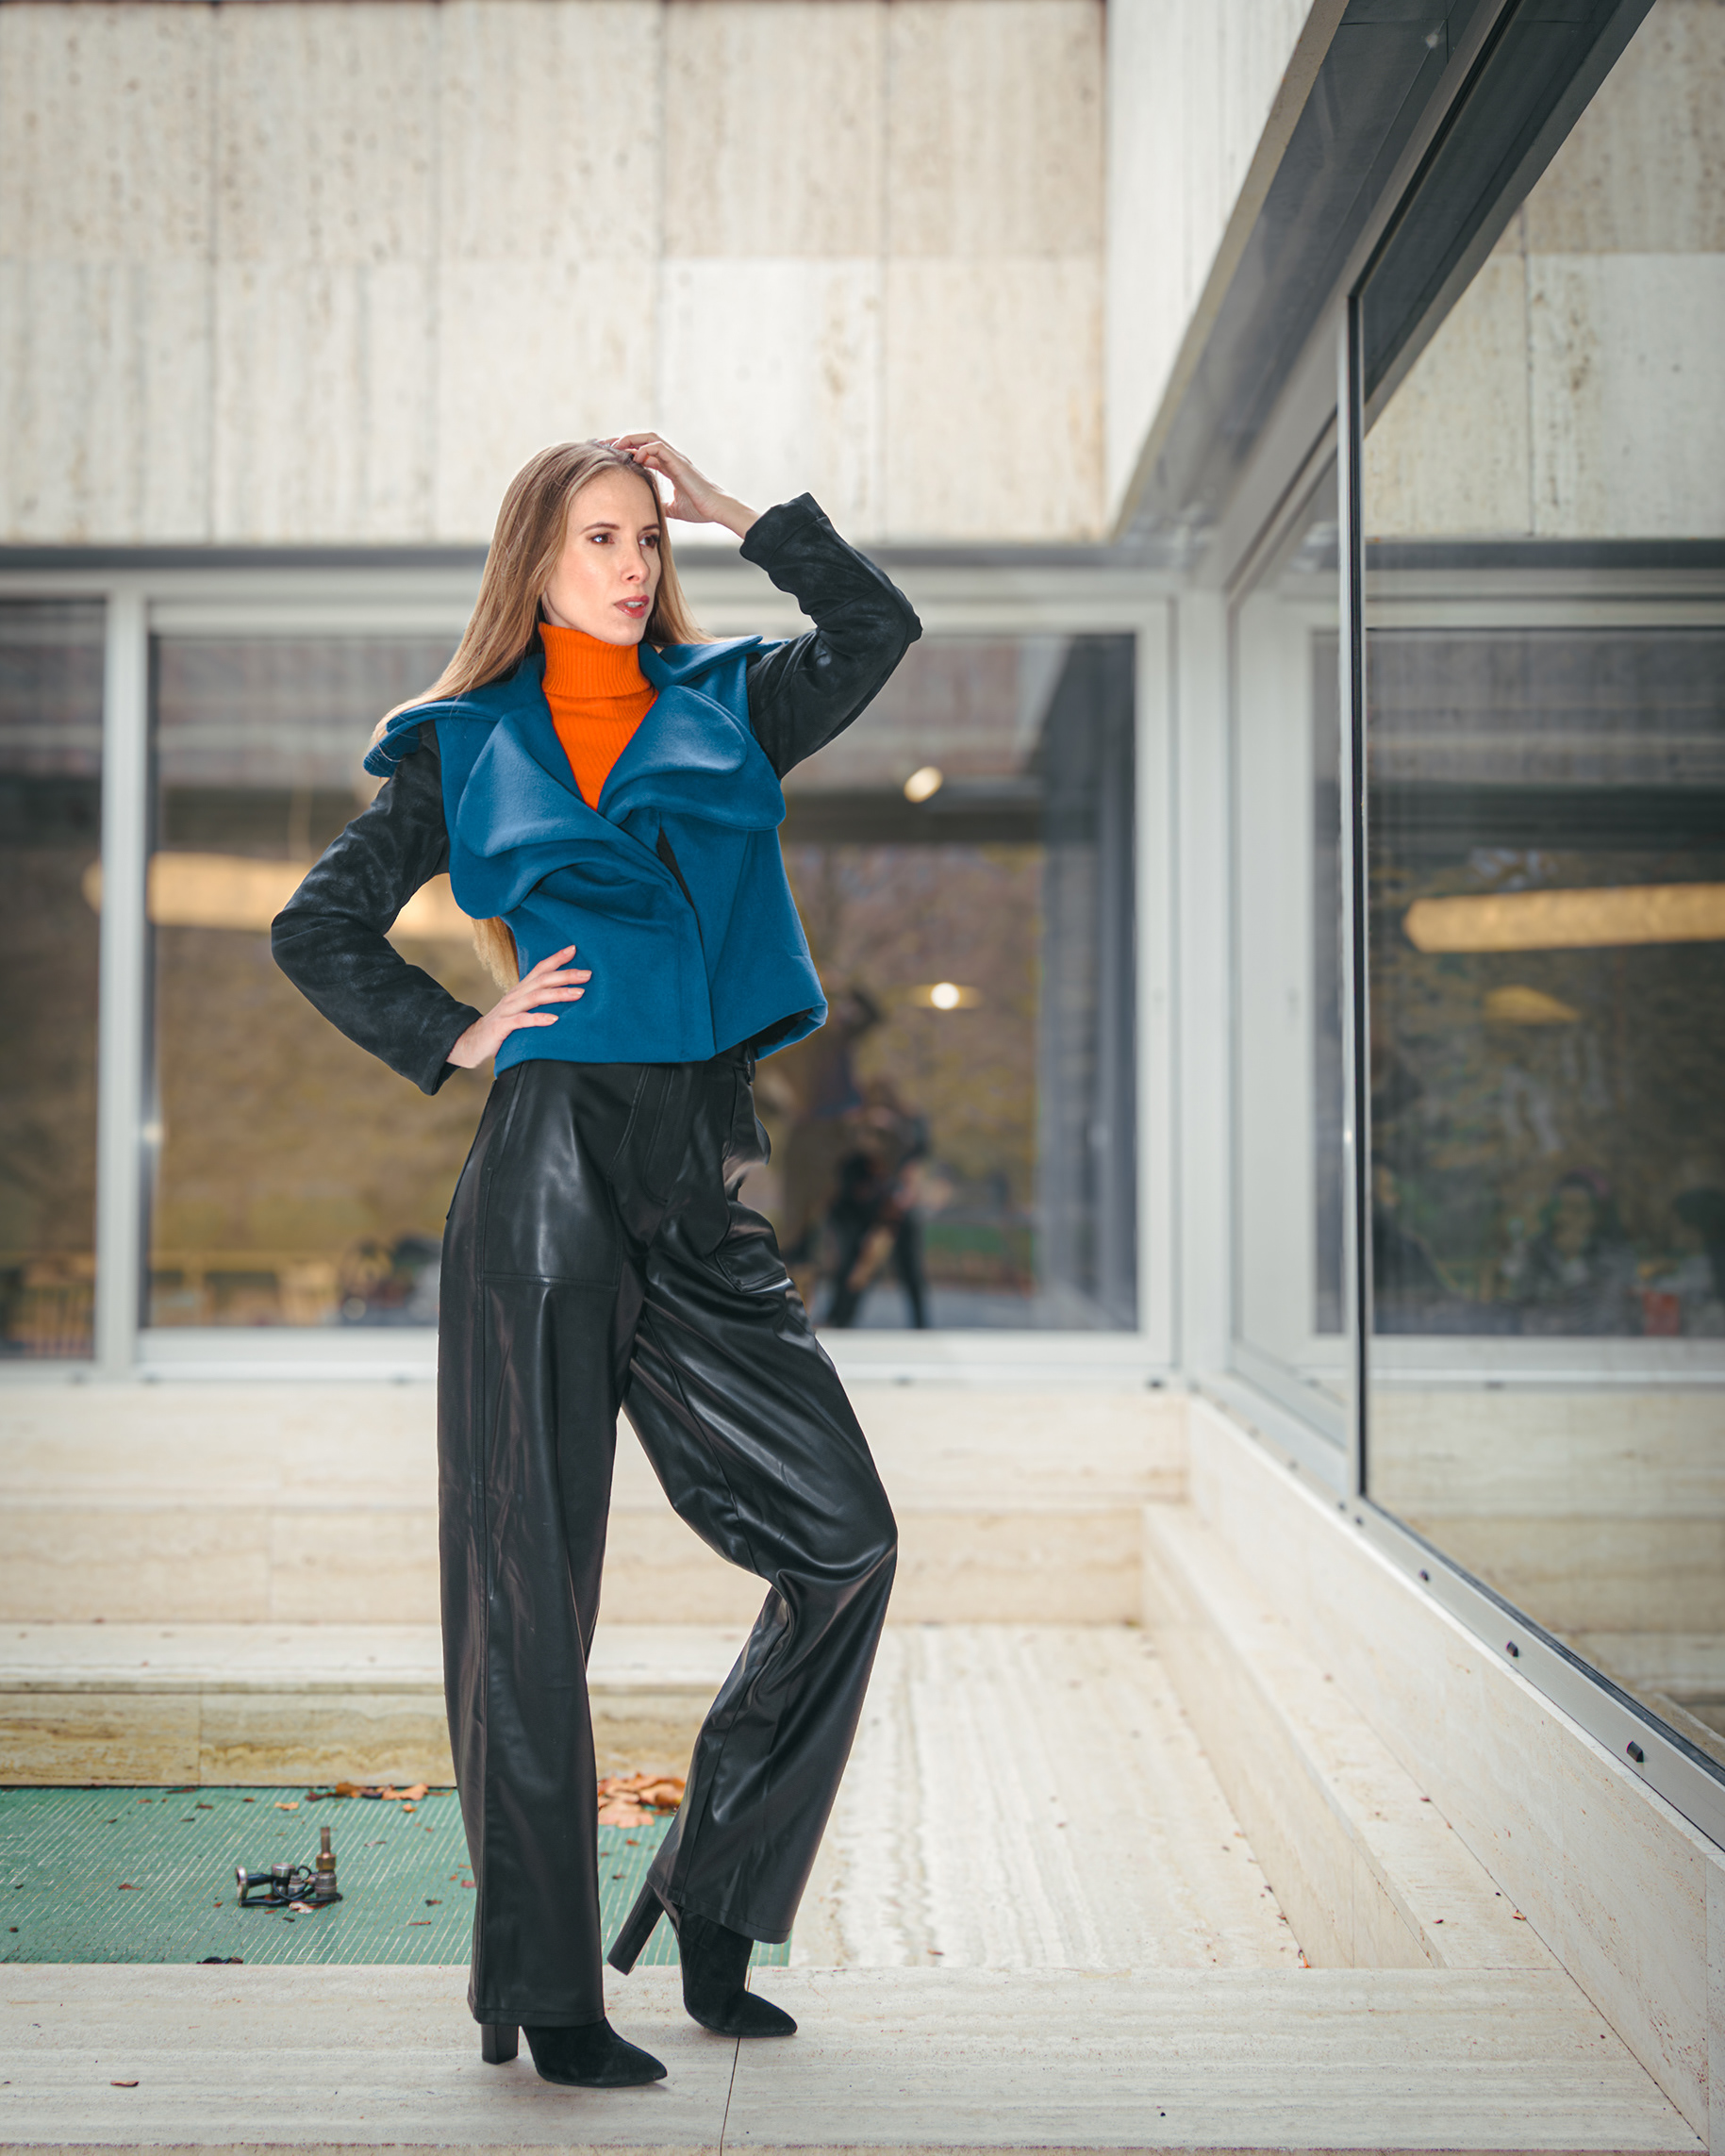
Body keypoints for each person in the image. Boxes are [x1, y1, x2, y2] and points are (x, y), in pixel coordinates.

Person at [273, 437, 916, 2090]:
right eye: (599, 540)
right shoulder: (462, 738)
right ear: (535, 563)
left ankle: (715, 1892)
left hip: (694, 1181)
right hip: (545, 1174)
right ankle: (549, 1991)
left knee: (843, 1540)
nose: (631, 565)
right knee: (526, 1594)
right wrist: (455, 1030)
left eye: (645, 538)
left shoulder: (727, 700)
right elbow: (316, 923)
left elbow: (873, 628)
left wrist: (743, 515)